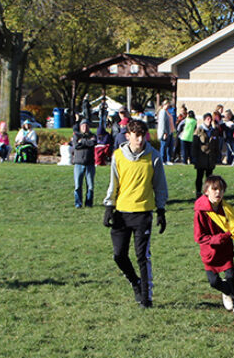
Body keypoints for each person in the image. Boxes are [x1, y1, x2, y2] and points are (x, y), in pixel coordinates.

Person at [103, 119, 169, 307]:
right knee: (119, 255)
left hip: (143, 213)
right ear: (128, 136)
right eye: (136, 135)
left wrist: (161, 210)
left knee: (142, 256)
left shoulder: (154, 156)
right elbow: (113, 183)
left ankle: (146, 298)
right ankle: (135, 282)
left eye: (143, 135)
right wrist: (109, 207)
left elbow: (160, 185)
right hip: (122, 213)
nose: (140, 139)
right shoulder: (118, 156)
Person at [193, 175, 234, 320]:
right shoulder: (201, 211)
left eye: (221, 190)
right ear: (206, 191)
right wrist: (219, 238)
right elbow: (199, 237)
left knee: (231, 276)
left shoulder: (227, 209)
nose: (218, 193)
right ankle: (226, 291)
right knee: (214, 282)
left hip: (225, 249)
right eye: (215, 189)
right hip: (210, 252)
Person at [192, 113, 221, 198]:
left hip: (210, 158)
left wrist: (217, 156)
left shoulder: (214, 131)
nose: (209, 121)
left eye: (210, 119)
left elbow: (216, 144)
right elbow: (195, 145)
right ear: (204, 120)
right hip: (201, 157)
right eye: (208, 119)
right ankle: (198, 192)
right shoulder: (199, 130)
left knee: (209, 177)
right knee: (199, 176)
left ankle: (208, 192)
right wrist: (194, 157)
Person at [71, 120, 96, 208]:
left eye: (86, 126)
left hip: (90, 164)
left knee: (90, 186)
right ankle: (78, 203)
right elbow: (76, 146)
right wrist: (86, 142)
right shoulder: (76, 135)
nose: (85, 128)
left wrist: (82, 141)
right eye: (83, 126)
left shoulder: (93, 135)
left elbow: (93, 143)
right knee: (78, 185)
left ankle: (89, 203)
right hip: (78, 164)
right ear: (80, 127)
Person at [158, 99, 176, 163]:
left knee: (170, 147)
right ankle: (162, 160)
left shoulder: (168, 112)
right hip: (165, 133)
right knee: (164, 146)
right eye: (167, 105)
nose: (168, 106)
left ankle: (169, 160)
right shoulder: (162, 112)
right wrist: (164, 132)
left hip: (170, 132)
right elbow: (163, 123)